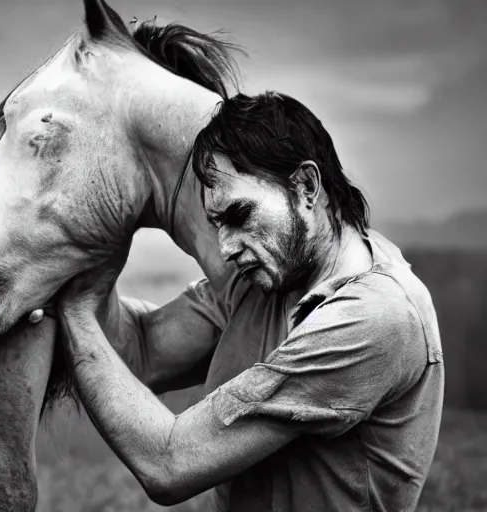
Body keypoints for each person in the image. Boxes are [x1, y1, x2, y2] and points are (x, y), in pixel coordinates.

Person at [52, 92, 444, 511]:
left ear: (306, 187)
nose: (226, 248)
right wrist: (80, 274)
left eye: (239, 215)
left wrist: (75, 313)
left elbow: (169, 466)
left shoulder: (375, 318)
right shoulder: (268, 277)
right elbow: (143, 349)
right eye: (218, 223)